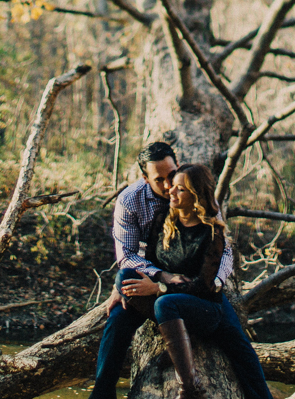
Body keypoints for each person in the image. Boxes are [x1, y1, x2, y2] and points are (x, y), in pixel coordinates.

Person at [92, 148, 272, 399]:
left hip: (198, 286)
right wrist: (161, 279)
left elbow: (224, 250)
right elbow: (127, 256)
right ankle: (101, 393)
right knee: (121, 302)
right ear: (145, 178)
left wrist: (216, 282)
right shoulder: (132, 201)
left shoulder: (195, 190)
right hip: (158, 275)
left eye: (172, 176)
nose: (168, 187)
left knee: (236, 342)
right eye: (159, 180)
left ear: (178, 165)